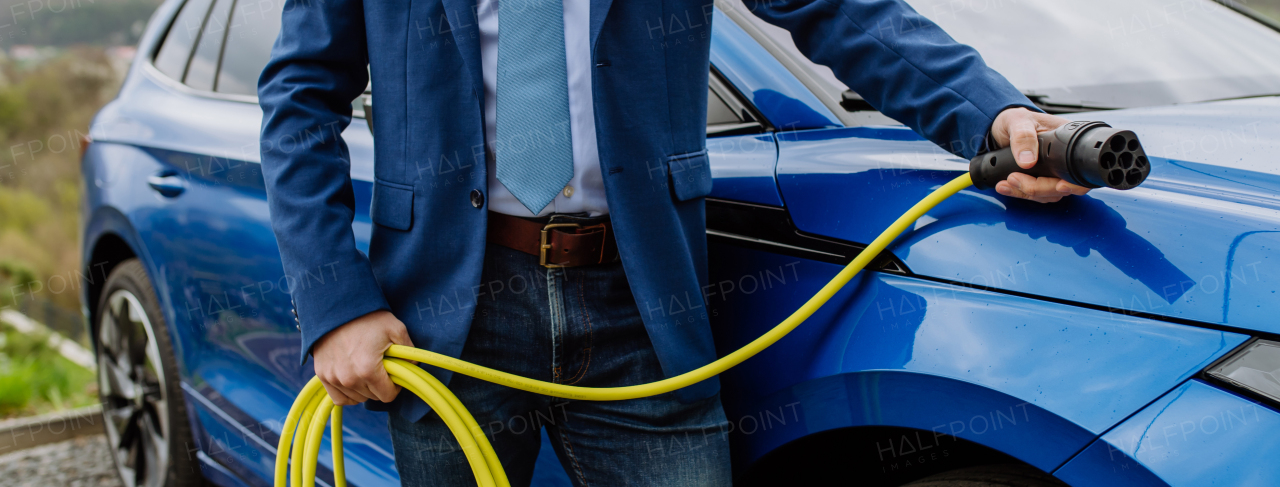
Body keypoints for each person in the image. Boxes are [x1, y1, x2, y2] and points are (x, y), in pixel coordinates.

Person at [257, 0, 1088, 485]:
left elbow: (841, 9)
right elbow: (300, 96)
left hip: (644, 304)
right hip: (444, 314)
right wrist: (336, 306)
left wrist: (994, 117)